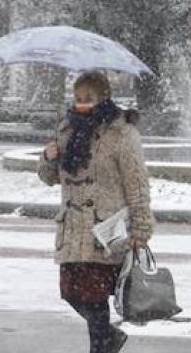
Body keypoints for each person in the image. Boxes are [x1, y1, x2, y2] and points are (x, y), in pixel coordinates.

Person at [38, 70, 154, 353]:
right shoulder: (67, 129)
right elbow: (49, 176)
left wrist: (141, 229)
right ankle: (110, 338)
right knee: (71, 294)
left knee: (94, 297)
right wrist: (48, 158)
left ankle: (101, 347)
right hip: (72, 228)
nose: (81, 104)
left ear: (104, 97)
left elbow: (136, 184)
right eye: (77, 98)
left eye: (88, 98)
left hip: (104, 229)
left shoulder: (122, 133)